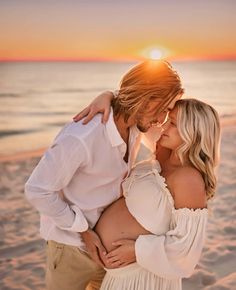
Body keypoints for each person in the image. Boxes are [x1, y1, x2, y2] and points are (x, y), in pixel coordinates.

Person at [24, 60, 184, 290]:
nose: (162, 119)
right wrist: (83, 230)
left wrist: (108, 94)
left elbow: (173, 139)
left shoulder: (135, 126)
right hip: (72, 248)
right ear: (144, 97)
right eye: (162, 110)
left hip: (108, 250)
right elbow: (37, 190)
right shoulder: (82, 137)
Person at [76, 98, 221, 290]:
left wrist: (137, 250)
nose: (163, 126)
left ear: (192, 132)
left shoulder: (189, 178)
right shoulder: (162, 153)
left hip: (141, 279)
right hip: (116, 275)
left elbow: (186, 250)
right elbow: (140, 107)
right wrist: (109, 97)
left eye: (173, 123)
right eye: (167, 119)